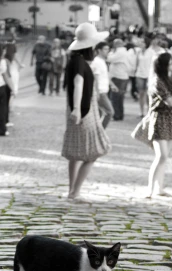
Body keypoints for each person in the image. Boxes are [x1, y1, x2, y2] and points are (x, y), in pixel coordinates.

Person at [62, 23, 112, 200]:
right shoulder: (79, 63)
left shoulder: (75, 61)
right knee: (93, 153)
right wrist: (76, 109)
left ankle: (72, 190)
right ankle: (75, 191)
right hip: (84, 112)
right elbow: (78, 84)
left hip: (80, 111)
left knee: (76, 154)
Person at [141, 52, 172, 198]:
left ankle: (159, 188)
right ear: (165, 65)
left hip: (170, 118)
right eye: (170, 63)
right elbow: (170, 101)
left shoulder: (167, 80)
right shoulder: (157, 81)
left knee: (165, 157)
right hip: (159, 119)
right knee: (161, 156)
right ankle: (150, 188)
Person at [91, 41, 114, 129]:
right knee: (110, 112)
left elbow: (105, 76)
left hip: (103, 90)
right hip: (100, 91)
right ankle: (100, 132)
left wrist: (112, 85)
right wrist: (97, 92)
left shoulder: (102, 61)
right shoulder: (97, 62)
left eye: (108, 49)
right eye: (105, 49)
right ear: (99, 50)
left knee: (98, 113)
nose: (107, 51)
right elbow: (95, 78)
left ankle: (96, 131)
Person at [107, 38, 130, 121]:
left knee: (115, 97)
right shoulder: (124, 51)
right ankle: (120, 114)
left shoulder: (120, 51)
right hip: (122, 76)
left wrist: (110, 53)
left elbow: (109, 58)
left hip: (118, 77)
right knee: (120, 98)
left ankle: (117, 115)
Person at [134, 39, 151, 116]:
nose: (141, 43)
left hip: (148, 75)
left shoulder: (150, 52)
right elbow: (137, 63)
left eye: (143, 42)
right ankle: (141, 111)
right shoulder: (138, 52)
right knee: (141, 93)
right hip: (139, 74)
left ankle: (148, 111)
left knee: (148, 94)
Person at [5, 42, 22, 116]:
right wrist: (20, 65)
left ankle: (7, 106)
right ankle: (10, 107)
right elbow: (19, 65)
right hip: (14, 74)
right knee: (13, 89)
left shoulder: (5, 58)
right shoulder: (14, 57)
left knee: (7, 90)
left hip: (7, 75)